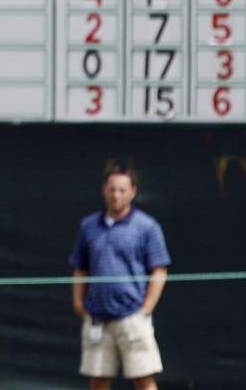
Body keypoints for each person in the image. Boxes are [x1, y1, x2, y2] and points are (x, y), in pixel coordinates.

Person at [70, 166, 171, 390]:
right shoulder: (88, 226)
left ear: (133, 191)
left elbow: (160, 270)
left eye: (122, 190)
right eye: (112, 189)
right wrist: (78, 302)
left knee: (144, 379)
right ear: (104, 190)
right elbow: (80, 267)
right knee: (98, 380)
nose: (116, 195)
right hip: (97, 318)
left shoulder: (147, 226)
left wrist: (145, 309)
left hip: (133, 318)